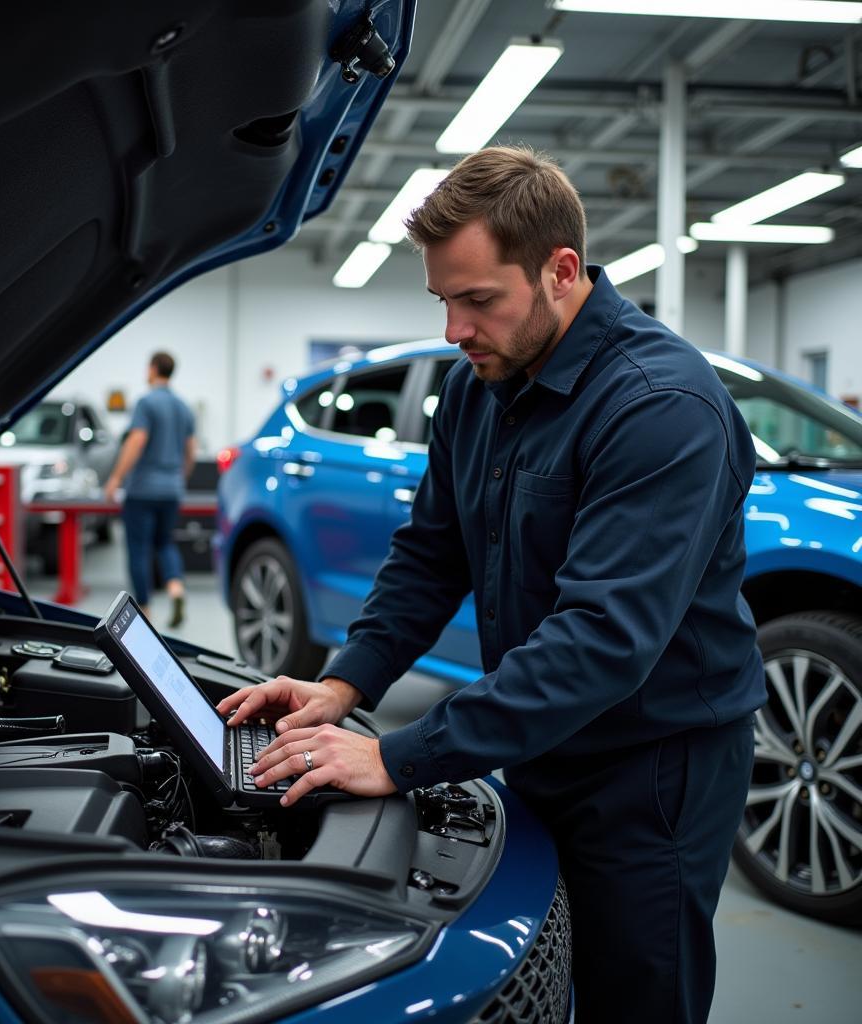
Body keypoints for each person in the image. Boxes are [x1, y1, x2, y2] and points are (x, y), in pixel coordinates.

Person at [218, 146, 766, 1023]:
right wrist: (343, 684)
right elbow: (432, 554)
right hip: (540, 739)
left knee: (637, 995)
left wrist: (395, 755)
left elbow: (602, 641)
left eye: (478, 300)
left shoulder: (660, 407)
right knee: (545, 978)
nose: (454, 330)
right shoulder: (480, 387)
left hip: (653, 767)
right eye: (443, 300)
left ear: (561, 271)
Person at [105, 351, 196, 627]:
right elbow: (191, 450)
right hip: (171, 488)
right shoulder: (183, 406)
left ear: (154, 369)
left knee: (138, 548)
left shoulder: (146, 402)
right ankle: (175, 587)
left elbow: (136, 441)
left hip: (143, 489)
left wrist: (116, 478)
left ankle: (144, 609)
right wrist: (180, 478)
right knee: (165, 542)